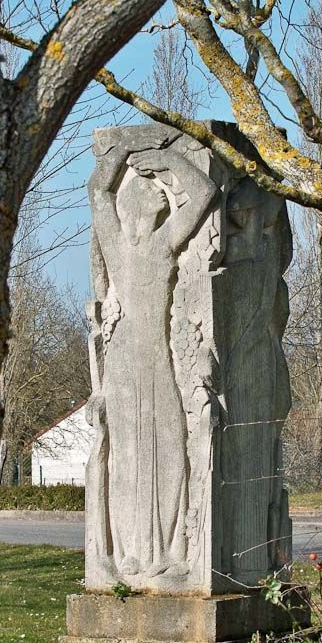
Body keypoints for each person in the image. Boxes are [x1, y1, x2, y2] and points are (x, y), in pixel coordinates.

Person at [88, 134, 217, 579]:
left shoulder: (163, 244)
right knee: (127, 456)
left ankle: (168, 550)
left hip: (157, 362)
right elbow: (96, 189)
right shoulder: (115, 243)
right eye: (150, 191)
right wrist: (127, 150)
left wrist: (163, 157)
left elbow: (204, 192)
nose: (157, 194)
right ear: (131, 206)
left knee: (170, 452)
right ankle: (133, 553)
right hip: (123, 363)